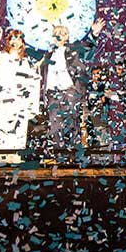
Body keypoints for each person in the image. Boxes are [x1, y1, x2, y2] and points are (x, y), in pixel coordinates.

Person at [30, 16, 102, 165]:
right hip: (52, 93)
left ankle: (74, 157)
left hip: (69, 92)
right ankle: (59, 157)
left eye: (63, 33)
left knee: (71, 124)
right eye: (56, 33)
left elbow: (87, 46)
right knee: (55, 126)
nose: (59, 35)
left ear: (67, 37)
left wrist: (93, 34)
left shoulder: (72, 49)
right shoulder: (47, 54)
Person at [0, 27, 42, 163]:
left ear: (23, 42)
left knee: (17, 132)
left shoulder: (26, 62)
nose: (15, 41)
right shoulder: (3, 57)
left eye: (18, 38)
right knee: (2, 131)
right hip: (3, 101)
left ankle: (15, 161)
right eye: (12, 38)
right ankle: (0, 161)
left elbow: (31, 80)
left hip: (19, 103)